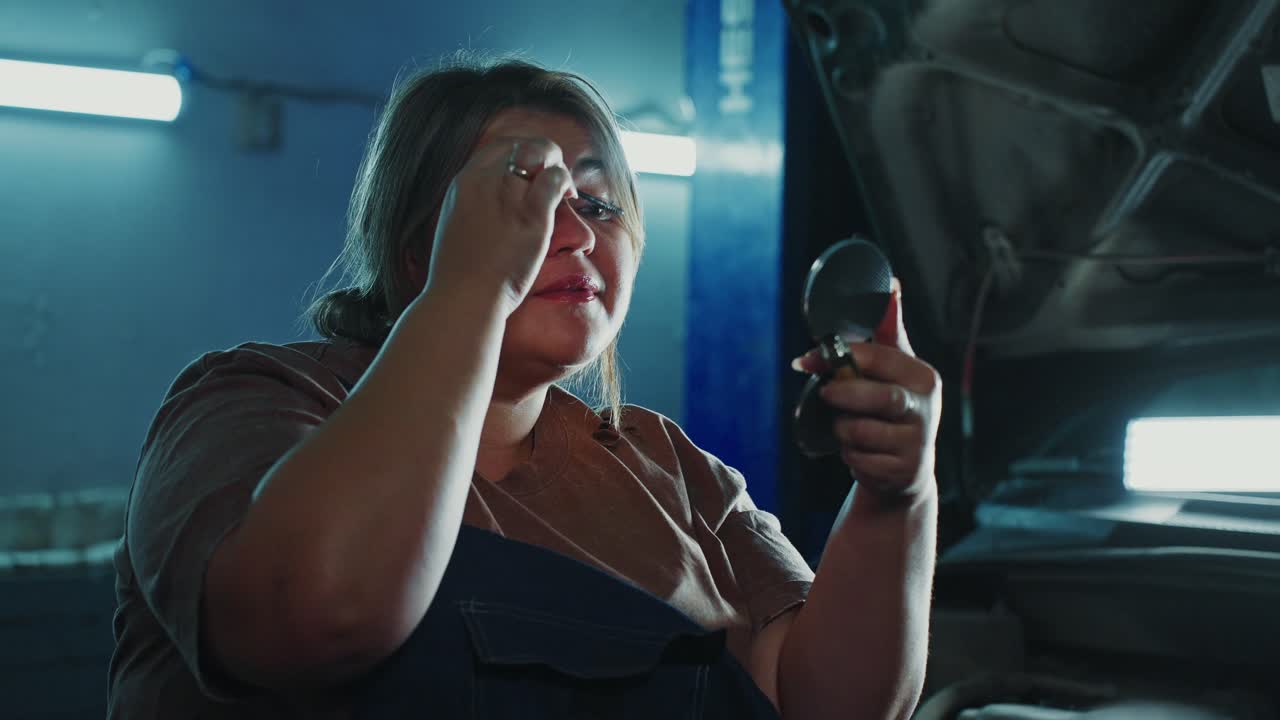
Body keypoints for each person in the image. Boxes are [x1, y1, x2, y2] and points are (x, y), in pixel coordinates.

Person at [106, 56, 941, 720]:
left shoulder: (677, 475)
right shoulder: (253, 405)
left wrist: (897, 497)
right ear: (412, 250)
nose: (574, 232)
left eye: (598, 204)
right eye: (525, 197)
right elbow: (312, 617)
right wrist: (468, 287)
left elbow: (821, 703)